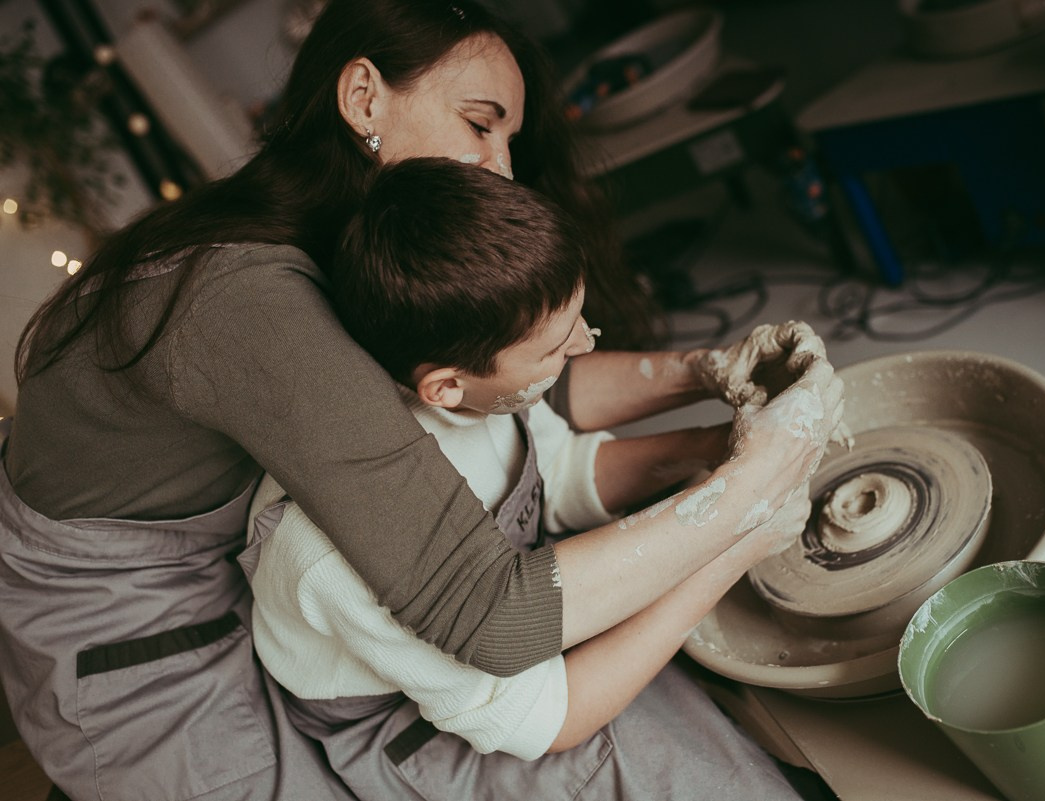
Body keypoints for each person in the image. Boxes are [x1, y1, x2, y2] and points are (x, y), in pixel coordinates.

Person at [0, 0, 844, 799]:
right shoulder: (252, 302)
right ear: (363, 96)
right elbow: (496, 616)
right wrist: (749, 492)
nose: (501, 168)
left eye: (507, 141)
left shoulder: (368, 239)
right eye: (480, 125)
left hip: (268, 579)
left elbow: (512, 385)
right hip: (141, 646)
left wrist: (707, 370)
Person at [246, 157, 827, 799]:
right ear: (445, 386)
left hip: (511, 639)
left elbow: (557, 475)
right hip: (424, 728)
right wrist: (736, 535)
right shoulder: (335, 550)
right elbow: (548, 719)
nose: (584, 345)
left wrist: (719, 444)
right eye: (553, 347)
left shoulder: (466, 394)